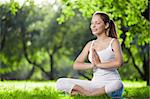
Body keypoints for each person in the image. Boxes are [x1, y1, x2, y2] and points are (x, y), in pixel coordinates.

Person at [56, 11, 124, 98]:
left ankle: (87, 94)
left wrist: (99, 64)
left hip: (111, 83)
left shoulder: (113, 42)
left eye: (97, 23)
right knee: (60, 82)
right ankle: (91, 94)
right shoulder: (90, 44)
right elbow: (76, 65)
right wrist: (92, 65)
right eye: (92, 23)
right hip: (94, 84)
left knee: (118, 84)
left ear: (106, 25)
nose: (93, 26)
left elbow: (119, 63)